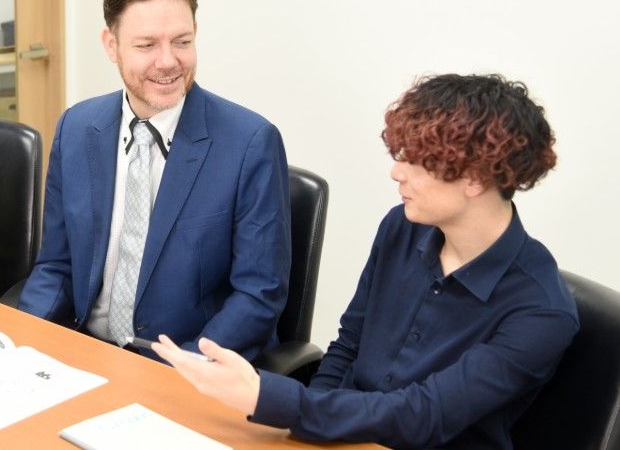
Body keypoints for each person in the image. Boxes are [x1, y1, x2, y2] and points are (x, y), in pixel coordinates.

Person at [152, 74, 579, 449]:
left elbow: (422, 416)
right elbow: (348, 346)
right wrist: (303, 431)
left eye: (417, 161)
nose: (397, 172)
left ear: (475, 178)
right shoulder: (403, 227)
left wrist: (270, 399)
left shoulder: (540, 311)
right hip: (341, 436)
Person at [18, 0, 291, 362]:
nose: (168, 62)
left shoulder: (250, 144)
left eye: (182, 41)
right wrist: (27, 340)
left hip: (188, 366)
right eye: (146, 45)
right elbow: (57, 267)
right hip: (87, 355)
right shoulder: (77, 128)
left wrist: (177, 370)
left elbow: (258, 296)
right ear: (111, 45)